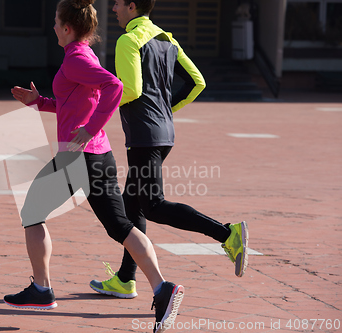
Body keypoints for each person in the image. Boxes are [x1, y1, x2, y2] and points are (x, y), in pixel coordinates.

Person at [5, 0, 184, 331]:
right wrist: (40, 102)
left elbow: (114, 87)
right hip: (97, 156)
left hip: (78, 157)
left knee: (32, 213)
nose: (54, 27)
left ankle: (42, 289)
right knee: (121, 226)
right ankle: (162, 288)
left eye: (57, 22)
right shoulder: (84, 55)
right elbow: (77, 103)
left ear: (68, 27)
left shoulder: (75, 58)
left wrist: (87, 131)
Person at [90, 0, 249, 299]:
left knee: (152, 205)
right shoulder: (167, 39)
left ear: (133, 6)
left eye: (118, 3)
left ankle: (227, 234)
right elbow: (197, 83)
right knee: (132, 205)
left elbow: (132, 89)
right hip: (163, 133)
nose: (113, 8)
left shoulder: (129, 40)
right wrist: (166, 110)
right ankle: (125, 279)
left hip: (144, 136)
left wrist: (98, 108)